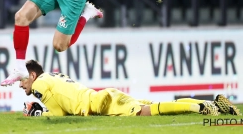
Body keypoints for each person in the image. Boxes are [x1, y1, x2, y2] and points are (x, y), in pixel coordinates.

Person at [20, 60, 242, 117]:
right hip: (103, 96)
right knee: (155, 106)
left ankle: (201, 107)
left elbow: (59, 114)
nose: (21, 85)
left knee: (146, 112)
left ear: (32, 75)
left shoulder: (39, 84)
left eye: (21, 80)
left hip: (102, 103)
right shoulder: (54, 75)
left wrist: (38, 113)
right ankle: (217, 104)